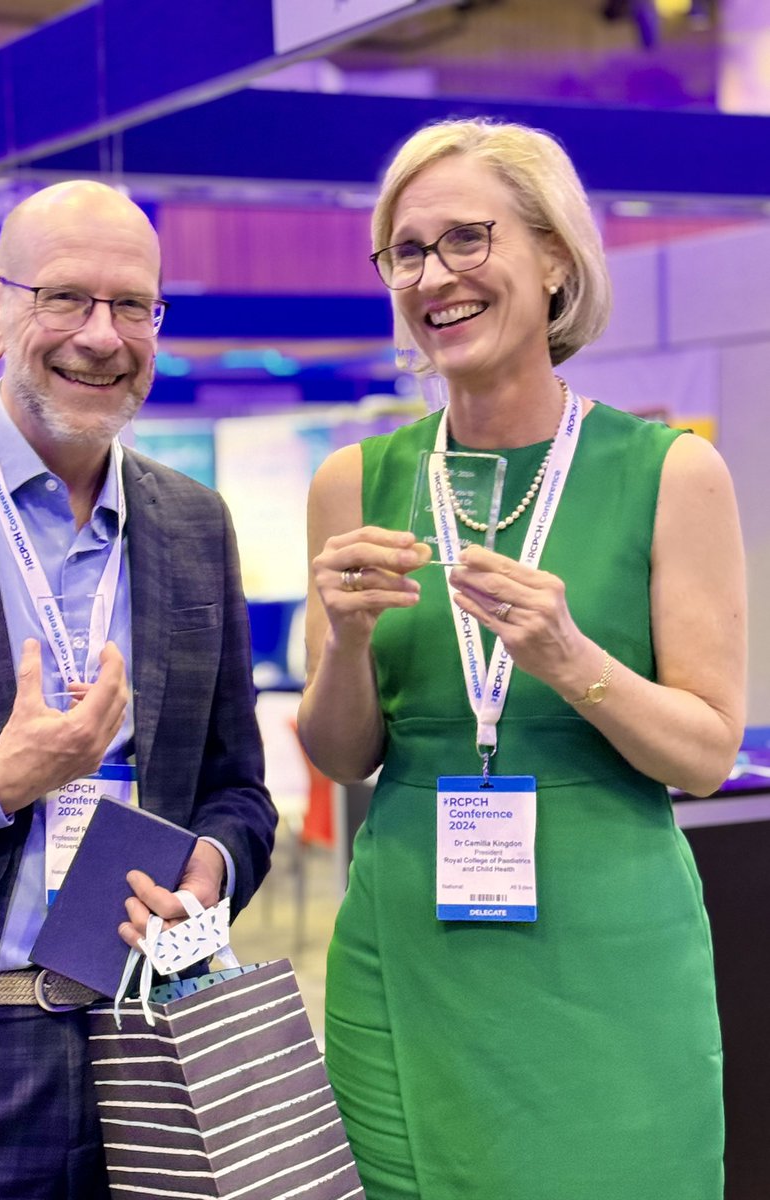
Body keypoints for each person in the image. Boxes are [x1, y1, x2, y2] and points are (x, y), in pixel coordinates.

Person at [297, 118, 746, 1200]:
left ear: (555, 258)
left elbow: (705, 756)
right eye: (407, 252)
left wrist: (567, 654)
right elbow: (338, 754)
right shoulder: (353, 481)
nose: (434, 276)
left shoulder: (672, 474)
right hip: (408, 949)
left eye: (466, 240)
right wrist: (348, 644)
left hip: (608, 959)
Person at [0, 180, 276, 1199]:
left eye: (132, 305)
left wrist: (212, 871)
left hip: (151, 1045)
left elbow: (237, 790)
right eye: (66, 299)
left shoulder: (191, 525)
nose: (102, 336)